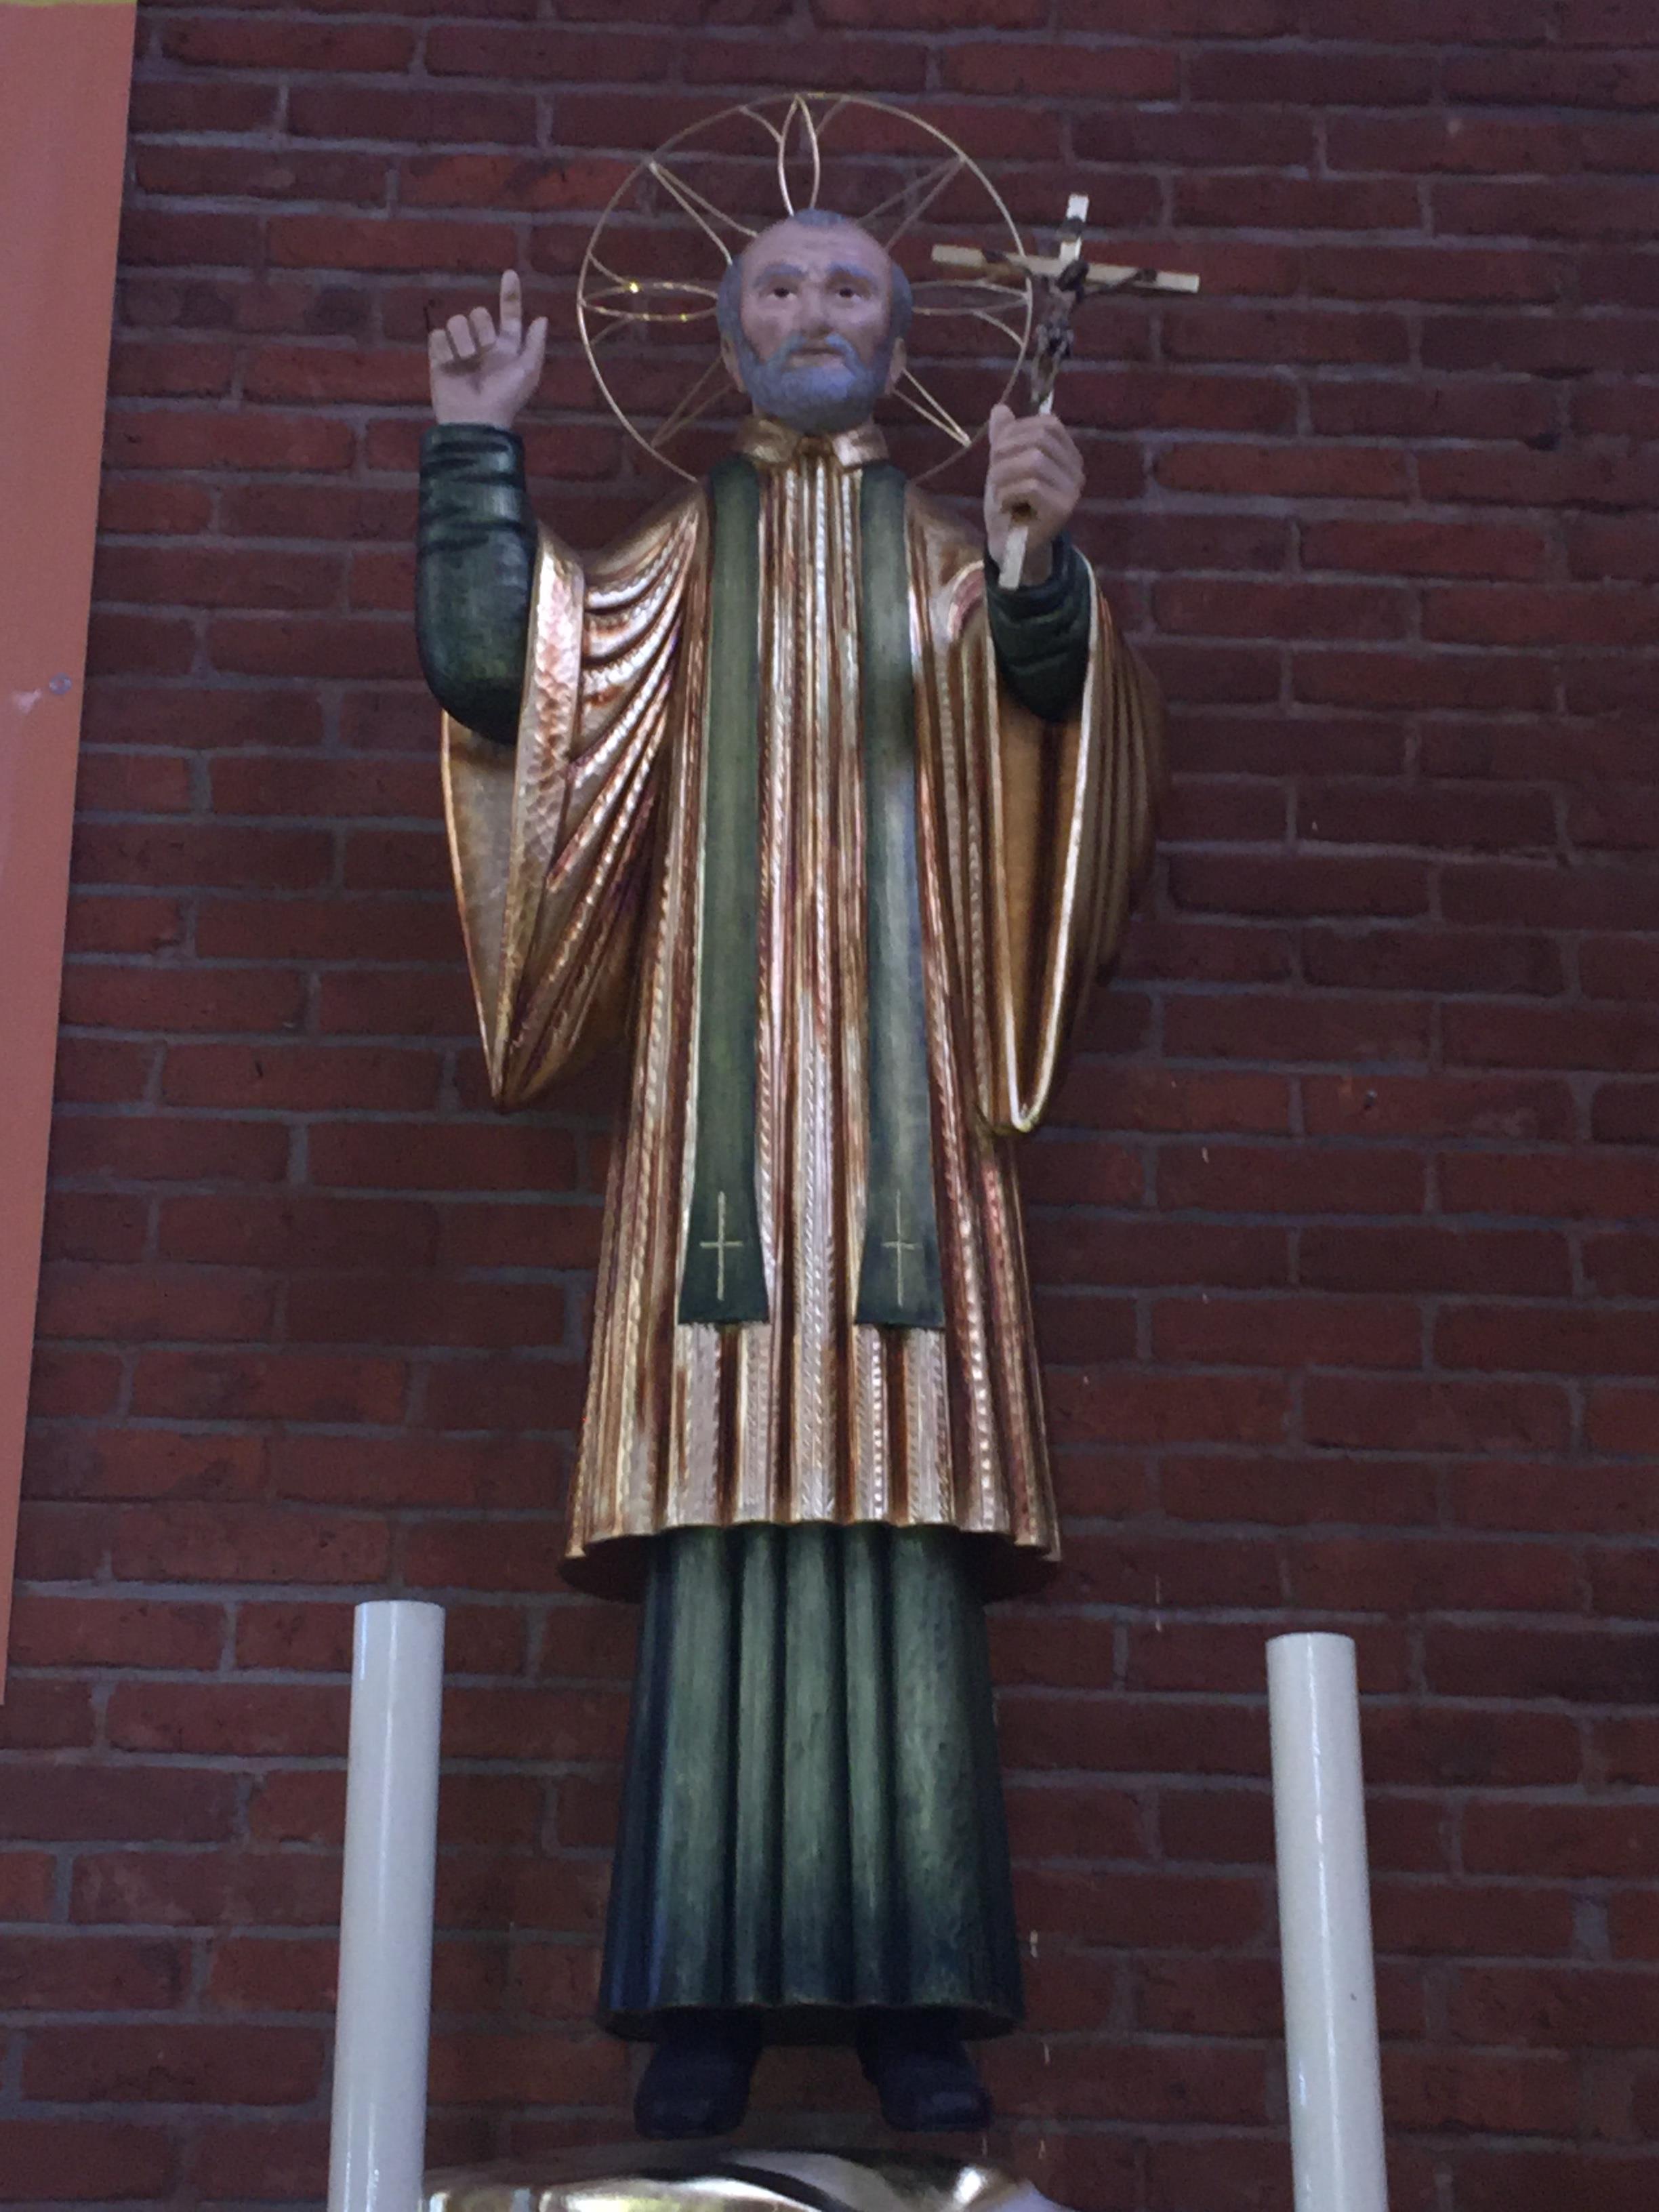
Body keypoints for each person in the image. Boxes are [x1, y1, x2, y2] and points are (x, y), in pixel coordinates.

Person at [415, 211, 1161, 2139]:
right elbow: (507, 679)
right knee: (720, 1519)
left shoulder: (954, 554)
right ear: (724, 331)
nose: (811, 313)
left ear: (902, 338)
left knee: (902, 1525)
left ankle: (921, 2005)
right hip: (718, 1120)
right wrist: (475, 456)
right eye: (776, 287)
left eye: (848, 289)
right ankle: (704, 2003)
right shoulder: (669, 565)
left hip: (911, 1114)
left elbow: (1057, 714)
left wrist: (1040, 560)